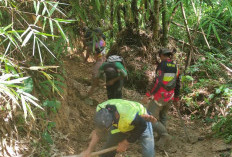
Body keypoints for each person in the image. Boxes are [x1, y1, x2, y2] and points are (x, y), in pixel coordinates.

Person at [81, 99, 156, 157]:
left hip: (142, 121)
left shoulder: (128, 116)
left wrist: (126, 142)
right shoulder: (100, 110)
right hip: (123, 124)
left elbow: (142, 126)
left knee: (148, 151)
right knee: (109, 146)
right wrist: (89, 150)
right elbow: (98, 132)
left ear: (116, 116)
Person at [142, 48, 180, 150]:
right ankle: (161, 139)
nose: (159, 58)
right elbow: (178, 83)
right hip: (170, 96)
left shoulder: (162, 65)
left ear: (162, 55)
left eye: (160, 56)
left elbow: (158, 82)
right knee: (163, 116)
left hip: (160, 95)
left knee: (148, 116)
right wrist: (176, 98)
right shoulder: (176, 67)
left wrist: (148, 94)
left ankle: (163, 135)